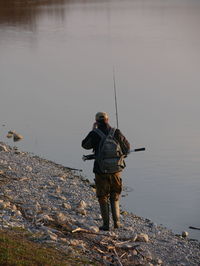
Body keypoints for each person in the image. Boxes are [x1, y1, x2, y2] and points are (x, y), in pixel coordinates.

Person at [82, 112, 130, 231]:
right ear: (108, 120)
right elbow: (127, 148)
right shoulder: (116, 132)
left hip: (100, 169)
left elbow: (85, 145)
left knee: (102, 196)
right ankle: (117, 223)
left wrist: (93, 130)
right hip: (116, 170)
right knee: (115, 194)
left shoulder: (94, 133)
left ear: (96, 121)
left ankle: (106, 225)